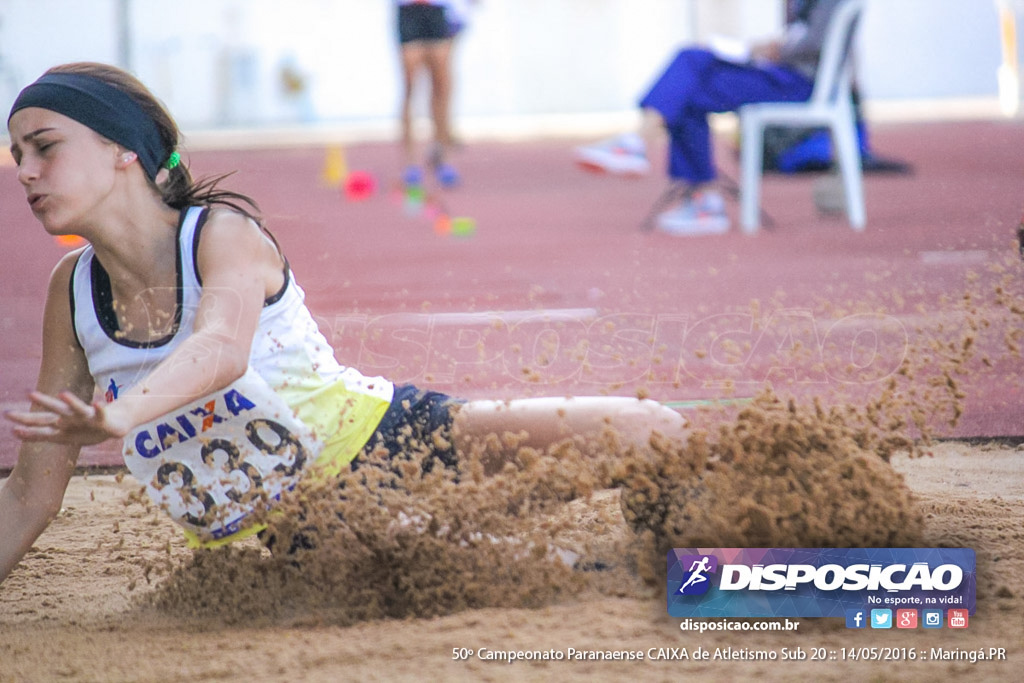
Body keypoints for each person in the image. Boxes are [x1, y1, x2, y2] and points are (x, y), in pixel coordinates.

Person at [0, 62, 689, 586]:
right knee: (527, 571)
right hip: (307, 533)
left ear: (124, 149)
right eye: (16, 153)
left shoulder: (222, 234)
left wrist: (123, 416)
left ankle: (732, 580)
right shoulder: (73, 292)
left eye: (43, 147)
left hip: (392, 440)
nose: (24, 171)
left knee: (652, 431)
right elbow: (31, 492)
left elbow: (221, 348)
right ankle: (605, 574)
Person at [574, 0, 846, 236]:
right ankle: (701, 199)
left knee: (689, 69)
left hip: (796, 84)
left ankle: (645, 148)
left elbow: (812, 45)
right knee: (690, 73)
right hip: (784, 75)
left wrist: (765, 50)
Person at [395, 0, 474, 189]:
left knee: (441, 85)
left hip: (437, 10)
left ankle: (442, 157)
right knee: (410, 86)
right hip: (409, 10)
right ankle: (410, 162)